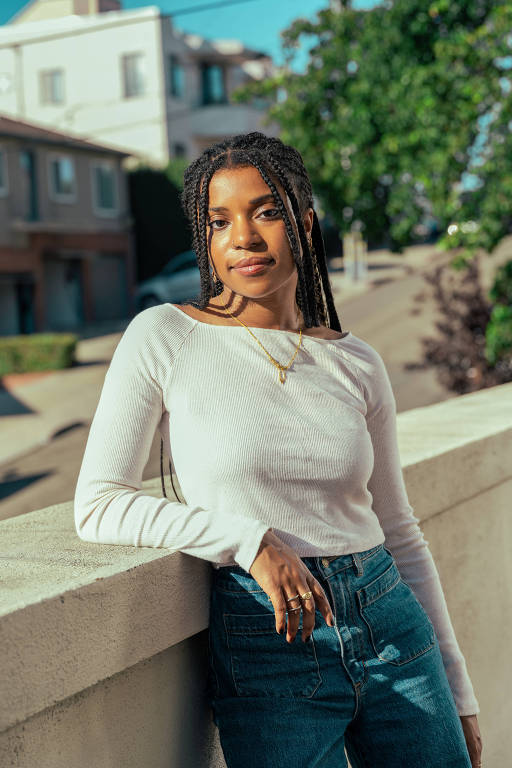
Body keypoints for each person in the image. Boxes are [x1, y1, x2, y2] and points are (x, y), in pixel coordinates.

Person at [74, 132, 483, 767]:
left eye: (266, 211)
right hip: (267, 635)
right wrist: (250, 541)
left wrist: (459, 691)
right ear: (205, 239)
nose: (243, 237)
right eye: (219, 221)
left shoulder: (355, 361)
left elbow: (400, 529)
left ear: (306, 224)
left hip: (390, 624)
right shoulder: (163, 336)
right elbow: (99, 505)